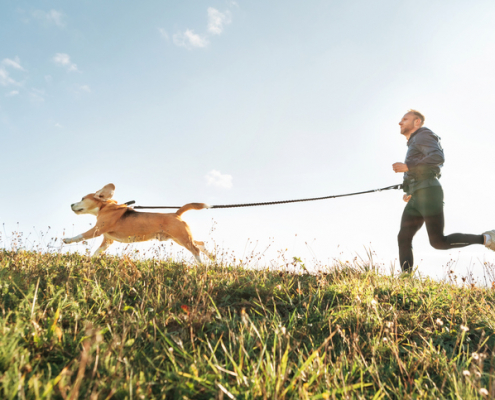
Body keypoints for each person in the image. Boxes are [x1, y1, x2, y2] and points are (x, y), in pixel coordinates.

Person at [392, 110, 495, 272]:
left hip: (429, 192)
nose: (400, 122)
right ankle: (406, 279)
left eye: (405, 119)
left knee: (438, 242)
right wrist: (408, 190)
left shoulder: (423, 135)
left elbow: (437, 157)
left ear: (417, 122)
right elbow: (420, 170)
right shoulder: (414, 142)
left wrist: (408, 166)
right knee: (404, 237)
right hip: (417, 195)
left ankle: (488, 238)